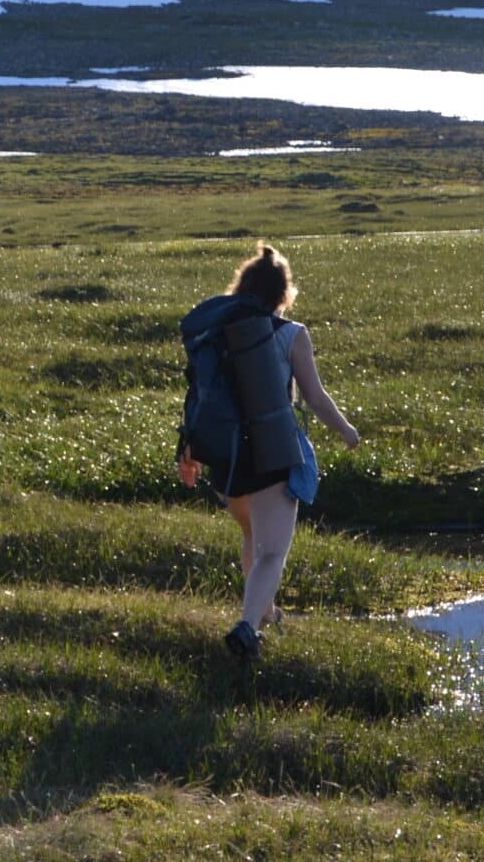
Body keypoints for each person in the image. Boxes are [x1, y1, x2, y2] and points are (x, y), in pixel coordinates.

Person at [178, 244, 359, 658]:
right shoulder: (292, 335)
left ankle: (266, 613)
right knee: (272, 552)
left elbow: (200, 392)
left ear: (241, 287)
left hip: (225, 457)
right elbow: (314, 397)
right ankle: (246, 628)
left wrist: (188, 449)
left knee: (253, 537)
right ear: (284, 293)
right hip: (271, 453)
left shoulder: (218, 332)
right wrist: (346, 430)